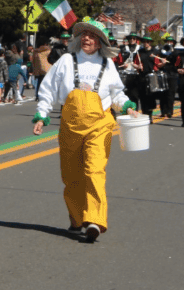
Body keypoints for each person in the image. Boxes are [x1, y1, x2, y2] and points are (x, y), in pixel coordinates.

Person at [32, 18, 138, 243]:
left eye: (92, 36)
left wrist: (127, 106)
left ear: (100, 43)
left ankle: (95, 221)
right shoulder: (65, 61)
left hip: (100, 125)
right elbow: (48, 90)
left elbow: (117, 93)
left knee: (94, 171)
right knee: (71, 177)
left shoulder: (107, 64)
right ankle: (78, 218)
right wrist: (41, 115)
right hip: (70, 125)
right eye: (84, 35)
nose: (87, 38)